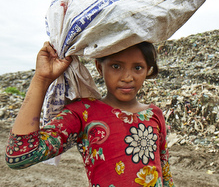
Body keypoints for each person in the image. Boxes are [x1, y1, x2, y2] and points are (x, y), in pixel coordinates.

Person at [5, 41, 175, 187]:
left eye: (138, 67)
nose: (127, 77)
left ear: (147, 70)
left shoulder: (154, 114)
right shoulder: (83, 113)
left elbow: (165, 173)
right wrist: (41, 78)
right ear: (99, 67)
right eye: (116, 66)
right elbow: (20, 155)